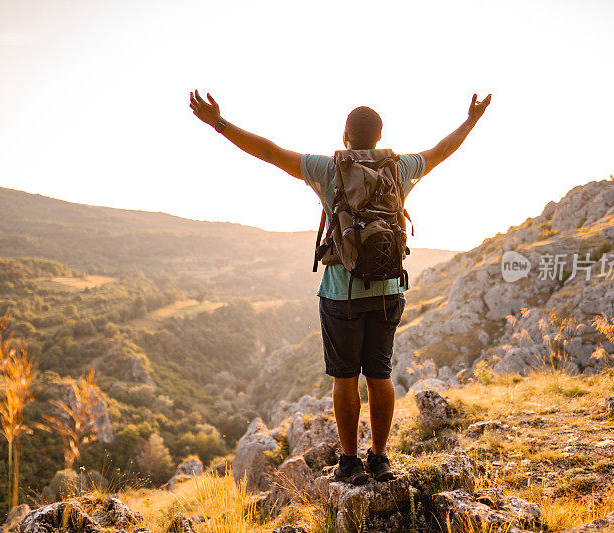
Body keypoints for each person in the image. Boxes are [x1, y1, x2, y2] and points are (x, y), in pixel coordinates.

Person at [189, 90, 491, 484]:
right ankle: (380, 459)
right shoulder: (398, 169)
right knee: (379, 375)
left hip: (340, 294)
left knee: (345, 378)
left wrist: (219, 122)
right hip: (387, 289)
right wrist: (471, 120)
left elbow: (267, 151)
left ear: (345, 136)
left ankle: (350, 463)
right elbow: (441, 150)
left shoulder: (329, 169)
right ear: (379, 137)